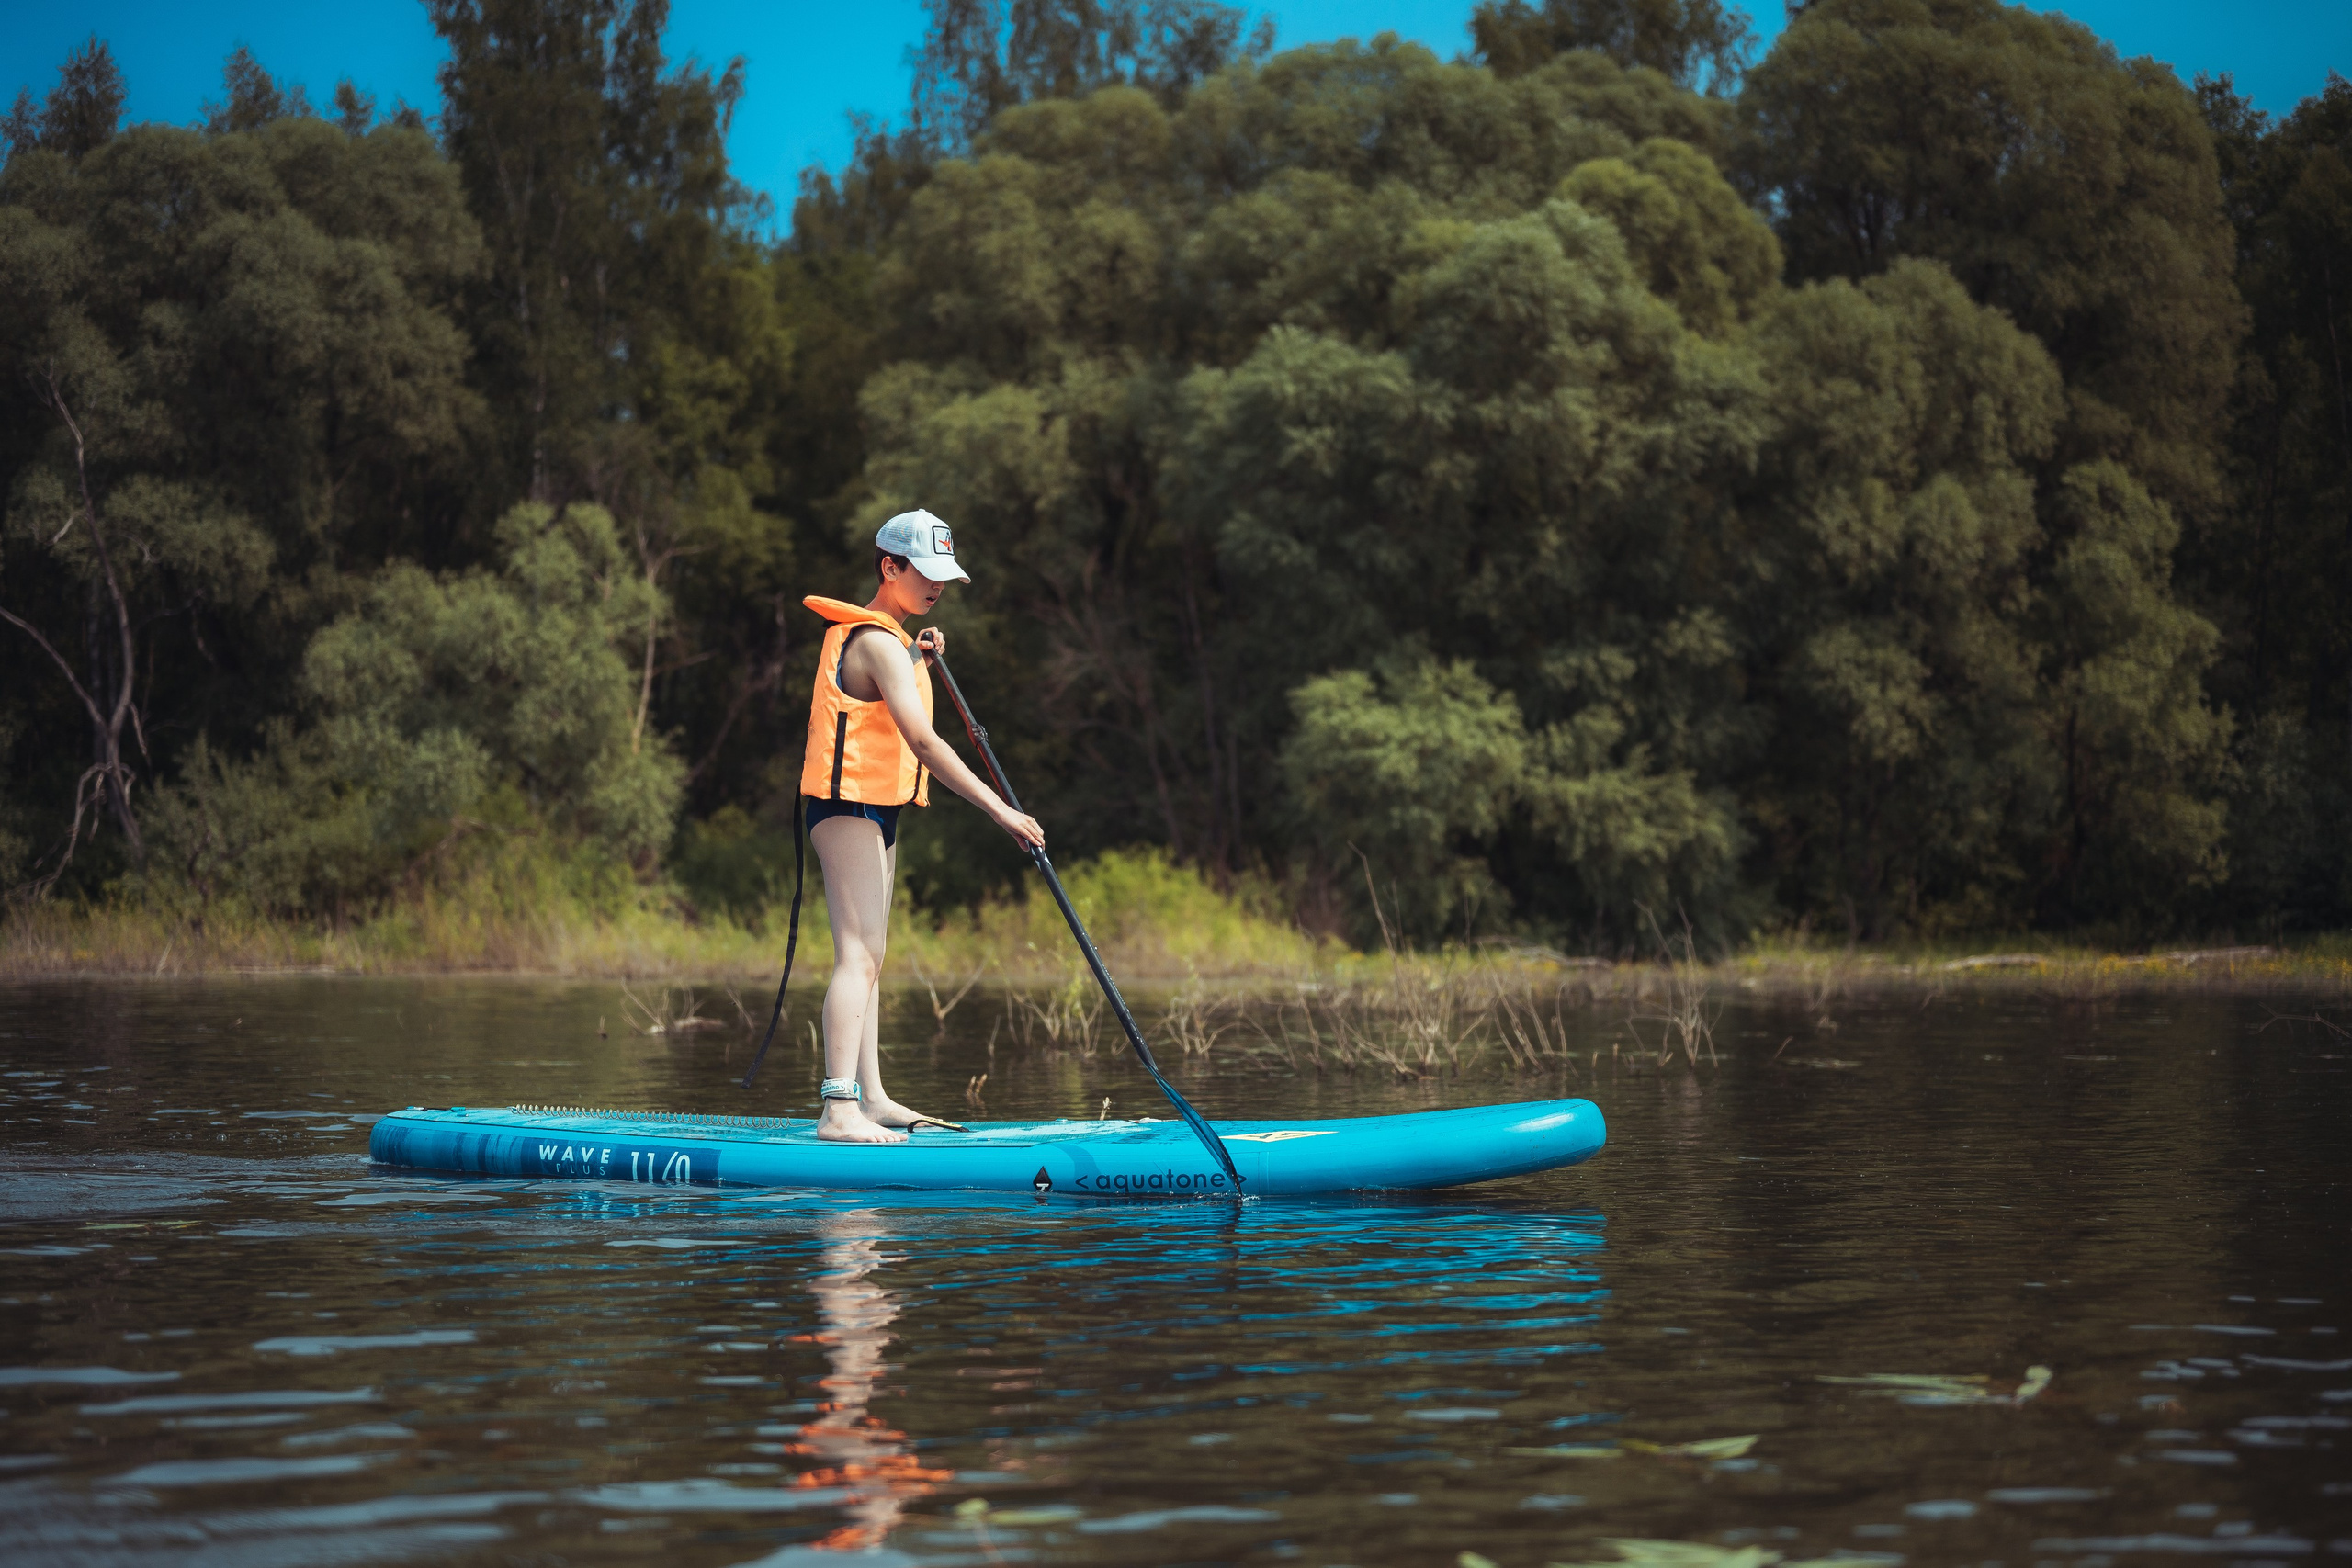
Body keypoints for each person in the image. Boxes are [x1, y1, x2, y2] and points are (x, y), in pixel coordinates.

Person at [799, 509, 1044, 1143]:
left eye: (944, 576)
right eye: (925, 573)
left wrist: (919, 659)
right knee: (857, 956)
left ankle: (873, 1098)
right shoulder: (875, 641)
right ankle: (838, 1109)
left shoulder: (892, 643)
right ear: (890, 567)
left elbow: (884, 703)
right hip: (847, 806)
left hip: (876, 808)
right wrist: (1001, 810)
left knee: (872, 958)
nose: (936, 586)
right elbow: (925, 742)